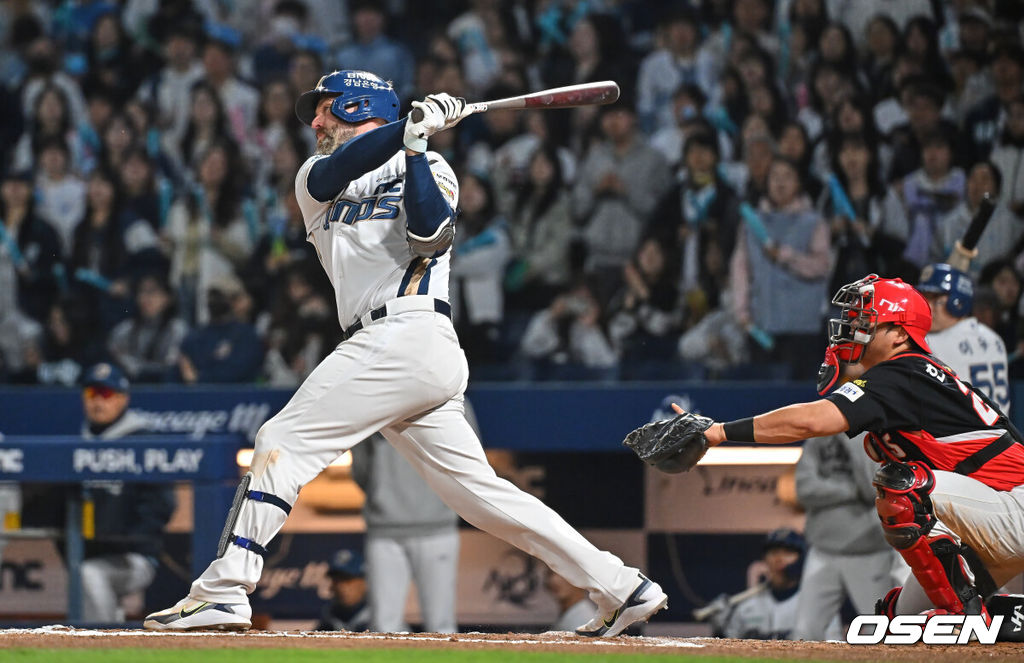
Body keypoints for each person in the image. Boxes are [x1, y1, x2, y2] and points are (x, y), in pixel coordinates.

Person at [144, 70, 666, 636]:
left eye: (325, 109)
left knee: (281, 441)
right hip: (386, 344)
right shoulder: (314, 175)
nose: (315, 122)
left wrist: (415, 145)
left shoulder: (434, 167)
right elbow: (339, 171)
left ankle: (224, 590)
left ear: (356, 104)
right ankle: (621, 585)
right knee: (482, 498)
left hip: (411, 333)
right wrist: (405, 131)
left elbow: (429, 235)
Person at [665, 274, 1024, 621]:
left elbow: (811, 421)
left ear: (899, 334)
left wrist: (720, 432)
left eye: (867, 321)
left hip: (1013, 507)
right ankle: (971, 612)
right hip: (987, 520)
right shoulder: (904, 377)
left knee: (902, 487)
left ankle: (962, 615)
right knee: (895, 621)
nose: (853, 329)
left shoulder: (906, 370)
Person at [20, 363, 176, 622]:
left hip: (134, 557)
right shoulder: (77, 446)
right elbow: (54, 506)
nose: (97, 402)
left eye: (106, 394)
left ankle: (102, 646)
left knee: (88, 574)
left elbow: (162, 505)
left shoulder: (143, 441)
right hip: (88, 554)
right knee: (87, 575)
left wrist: (129, 539)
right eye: (92, 394)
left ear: (122, 398)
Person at [792, 432, 901, 640]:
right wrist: (849, 491)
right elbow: (803, 489)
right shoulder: (817, 440)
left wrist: (852, 440)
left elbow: (872, 489)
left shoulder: (874, 437)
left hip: (868, 551)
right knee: (804, 630)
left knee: (878, 630)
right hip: (822, 549)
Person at [350, 433, 458, 633]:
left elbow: (466, 460)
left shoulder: (453, 400)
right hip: (385, 528)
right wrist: (380, 491)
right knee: (384, 626)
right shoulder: (369, 401)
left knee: (441, 626)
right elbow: (361, 464)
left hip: (437, 525)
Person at [917, 263, 1010, 414]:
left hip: (962, 435)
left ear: (958, 302)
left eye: (935, 299)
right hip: (1002, 432)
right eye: (925, 298)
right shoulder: (995, 338)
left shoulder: (930, 343)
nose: (927, 307)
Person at [718, 529, 841, 640]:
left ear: (801, 559)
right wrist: (720, 631)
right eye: (774, 552)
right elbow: (725, 655)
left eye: (788, 552)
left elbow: (836, 652)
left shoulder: (820, 606)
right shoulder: (746, 608)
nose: (779, 558)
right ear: (765, 559)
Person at [313, 549, 371, 632]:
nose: (340, 586)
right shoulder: (330, 617)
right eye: (336, 580)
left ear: (364, 582)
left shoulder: (381, 617)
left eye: (347, 579)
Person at [545, 568, 597, 633]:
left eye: (562, 574)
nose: (553, 580)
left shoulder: (584, 619)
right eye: (549, 574)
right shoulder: (572, 612)